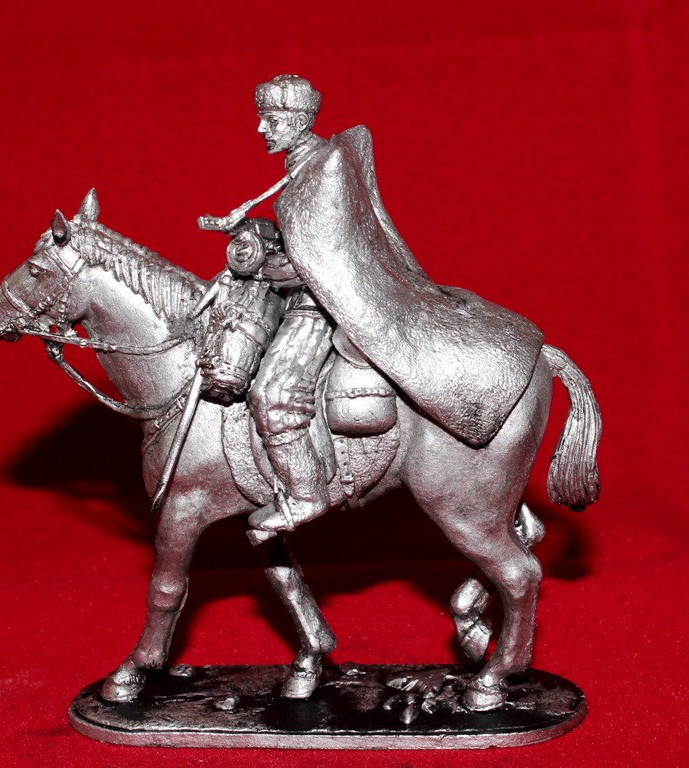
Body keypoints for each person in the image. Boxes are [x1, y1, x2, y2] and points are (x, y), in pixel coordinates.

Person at [201, 74, 545, 532]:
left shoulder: (325, 169)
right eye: (263, 118)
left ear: (299, 121)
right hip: (308, 290)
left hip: (322, 304)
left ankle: (305, 495)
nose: (261, 128)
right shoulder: (302, 167)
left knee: (274, 394)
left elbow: (325, 261)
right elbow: (308, 242)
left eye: (272, 120)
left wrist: (262, 266)